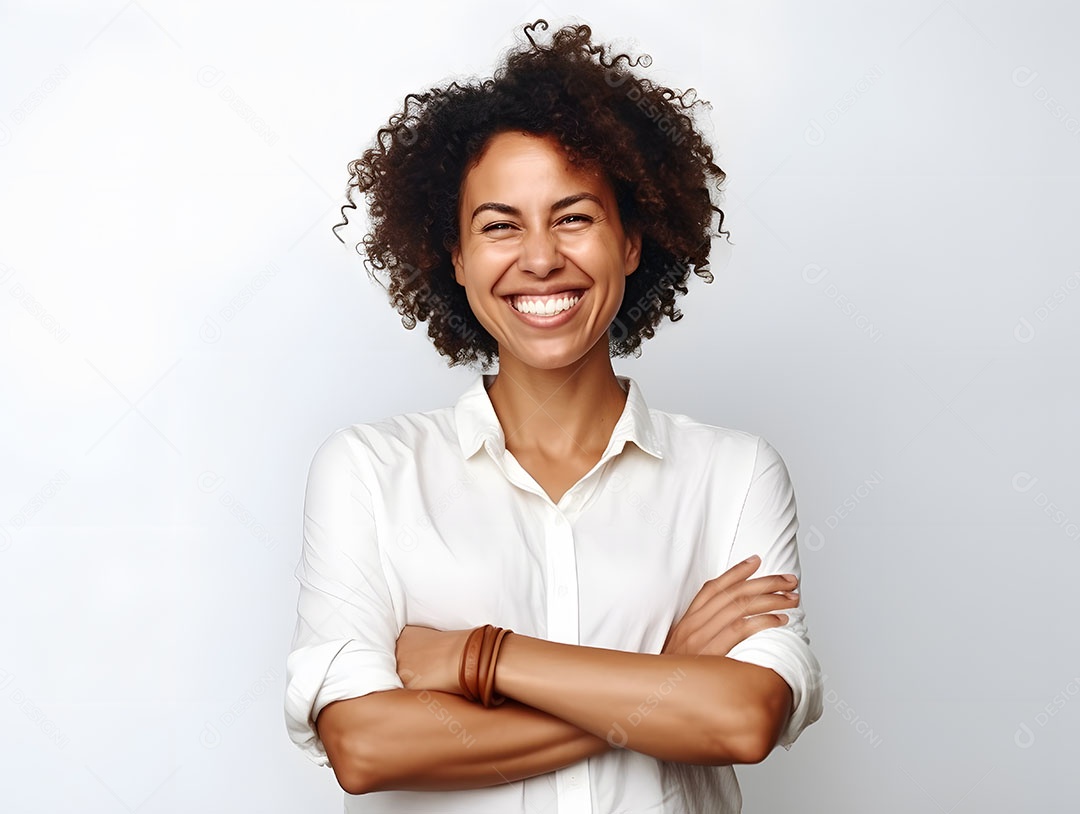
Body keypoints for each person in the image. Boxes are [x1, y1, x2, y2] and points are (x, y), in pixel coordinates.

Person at [284, 19, 823, 813]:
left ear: (632, 239)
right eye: (500, 225)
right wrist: (659, 674)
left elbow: (741, 718)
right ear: (457, 258)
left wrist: (479, 659)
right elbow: (365, 747)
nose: (540, 258)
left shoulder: (734, 474)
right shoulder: (368, 472)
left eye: (574, 217)